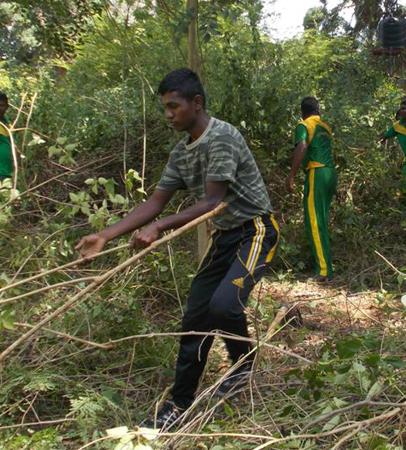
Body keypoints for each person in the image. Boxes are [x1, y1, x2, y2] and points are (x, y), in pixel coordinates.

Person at [75, 68, 279, 430]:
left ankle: (242, 368)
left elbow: (211, 201)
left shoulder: (222, 137)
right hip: (225, 237)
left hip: (255, 230)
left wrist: (159, 227)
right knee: (196, 317)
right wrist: (107, 235)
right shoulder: (180, 154)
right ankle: (179, 403)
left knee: (224, 306)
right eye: (164, 108)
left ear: (196, 103)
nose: (168, 114)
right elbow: (155, 202)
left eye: (174, 106)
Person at [286, 97, 336, 281]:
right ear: (318, 111)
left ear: (303, 112)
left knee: (314, 221)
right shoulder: (325, 127)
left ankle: (323, 270)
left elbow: (302, 146)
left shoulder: (304, 125)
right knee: (321, 219)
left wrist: (291, 174)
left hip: (317, 172)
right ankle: (325, 264)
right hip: (330, 173)